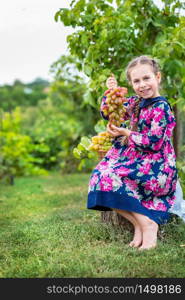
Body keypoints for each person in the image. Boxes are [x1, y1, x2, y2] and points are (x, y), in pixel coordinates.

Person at [87, 55, 180, 250]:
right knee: (99, 176)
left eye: (147, 78)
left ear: (158, 77)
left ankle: (149, 225)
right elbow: (111, 113)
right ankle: (140, 224)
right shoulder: (136, 103)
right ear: (131, 84)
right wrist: (112, 92)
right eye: (136, 81)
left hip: (157, 166)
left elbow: (154, 143)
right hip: (138, 159)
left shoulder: (161, 107)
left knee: (112, 177)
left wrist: (128, 133)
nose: (142, 85)